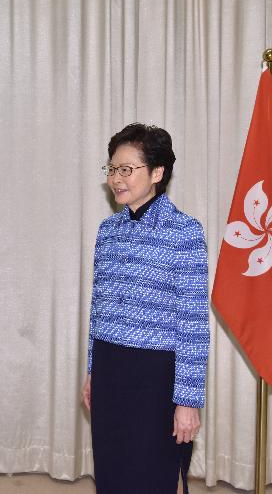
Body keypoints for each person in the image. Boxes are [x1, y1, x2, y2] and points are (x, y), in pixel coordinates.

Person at [81, 123, 209, 494]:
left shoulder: (184, 231)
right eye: (112, 169)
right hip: (109, 367)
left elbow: (193, 322)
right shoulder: (108, 230)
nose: (116, 179)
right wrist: (92, 369)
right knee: (111, 472)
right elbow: (98, 309)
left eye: (126, 169)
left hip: (155, 376)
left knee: (152, 476)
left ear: (157, 172)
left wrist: (187, 401)